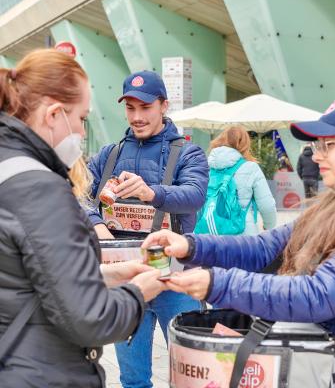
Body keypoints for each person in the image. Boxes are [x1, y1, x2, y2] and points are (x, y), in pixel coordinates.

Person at [142, 96, 335, 388]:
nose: (316, 156)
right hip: (331, 365)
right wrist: (192, 246)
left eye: (330, 145)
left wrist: (217, 284)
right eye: (317, 145)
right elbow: (266, 247)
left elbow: (320, 294)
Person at [0, 49, 166, 387]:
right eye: (81, 118)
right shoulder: (41, 189)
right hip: (40, 371)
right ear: (55, 114)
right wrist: (137, 292)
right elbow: (90, 319)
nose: (80, 129)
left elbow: (28, 273)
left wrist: (106, 273)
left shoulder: (9, 168)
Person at [87, 70, 209, 387]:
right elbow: (75, 193)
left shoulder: (188, 153)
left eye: (145, 107)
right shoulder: (109, 155)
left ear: (163, 105)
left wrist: (151, 192)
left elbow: (195, 196)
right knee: (132, 378)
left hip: (176, 277)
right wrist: (97, 224)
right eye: (130, 108)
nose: (137, 116)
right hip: (124, 277)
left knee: (193, 374)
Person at [204, 126, 276, 234]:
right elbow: (267, 205)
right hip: (243, 235)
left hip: (209, 232)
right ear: (244, 144)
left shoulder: (207, 167)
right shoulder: (251, 168)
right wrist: (269, 226)